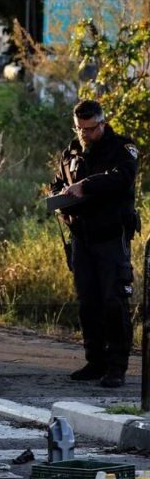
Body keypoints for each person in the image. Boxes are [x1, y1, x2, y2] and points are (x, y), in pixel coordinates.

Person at [52, 99, 140, 388]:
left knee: (114, 300)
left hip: (111, 237)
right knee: (88, 301)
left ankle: (116, 367)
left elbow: (122, 179)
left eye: (89, 129)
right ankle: (95, 360)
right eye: (79, 129)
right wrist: (59, 198)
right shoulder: (72, 152)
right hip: (82, 237)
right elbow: (58, 182)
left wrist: (85, 186)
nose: (84, 135)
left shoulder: (122, 149)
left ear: (102, 123)